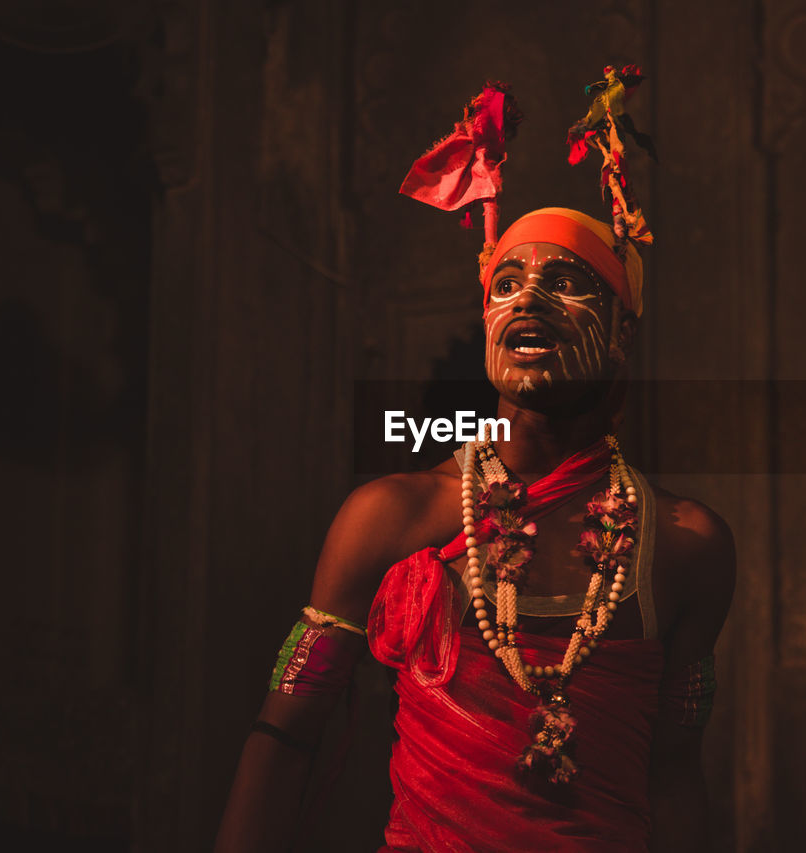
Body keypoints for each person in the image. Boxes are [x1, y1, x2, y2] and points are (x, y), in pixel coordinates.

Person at [215, 205, 734, 852]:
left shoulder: (686, 546)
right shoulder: (389, 517)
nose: (530, 299)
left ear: (621, 332)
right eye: (507, 283)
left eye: (566, 282)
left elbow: (675, 773)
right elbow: (284, 736)